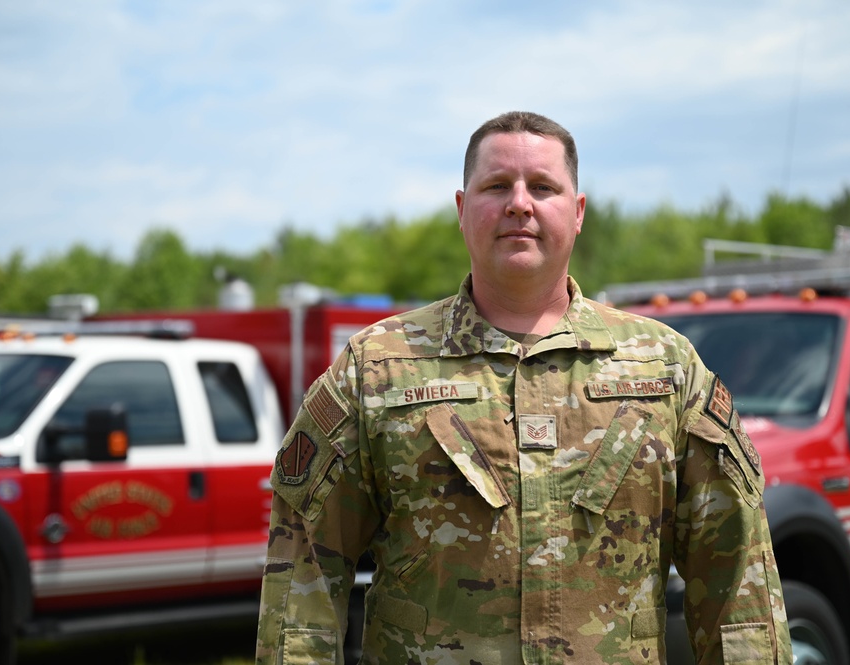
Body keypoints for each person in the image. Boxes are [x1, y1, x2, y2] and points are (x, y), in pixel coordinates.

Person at [256, 111, 792, 664]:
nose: (519, 203)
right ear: (463, 211)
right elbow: (304, 579)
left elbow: (737, 581)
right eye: (496, 186)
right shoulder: (377, 369)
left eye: (542, 186)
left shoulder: (665, 367)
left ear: (577, 212)